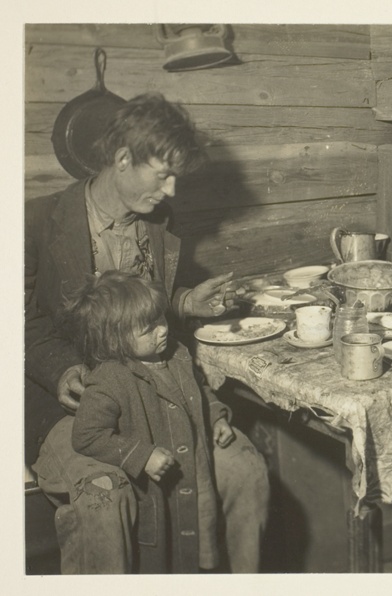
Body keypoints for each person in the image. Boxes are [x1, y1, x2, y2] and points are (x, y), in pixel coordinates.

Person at [25, 92, 270, 574]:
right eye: (162, 175)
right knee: (106, 497)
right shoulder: (33, 223)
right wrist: (61, 370)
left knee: (245, 471)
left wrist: (185, 302)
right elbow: (16, 322)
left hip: (157, 392)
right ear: (122, 159)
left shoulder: (157, 222)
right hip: (73, 405)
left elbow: (137, 311)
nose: (172, 190)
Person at [58, 271, 235, 572]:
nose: (162, 329)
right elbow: (86, 435)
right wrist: (141, 456)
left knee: (200, 551)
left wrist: (216, 416)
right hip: (159, 491)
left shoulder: (177, 354)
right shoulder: (109, 379)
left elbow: (200, 389)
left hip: (196, 475)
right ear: (114, 340)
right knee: (167, 561)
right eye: (148, 329)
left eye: (161, 319)